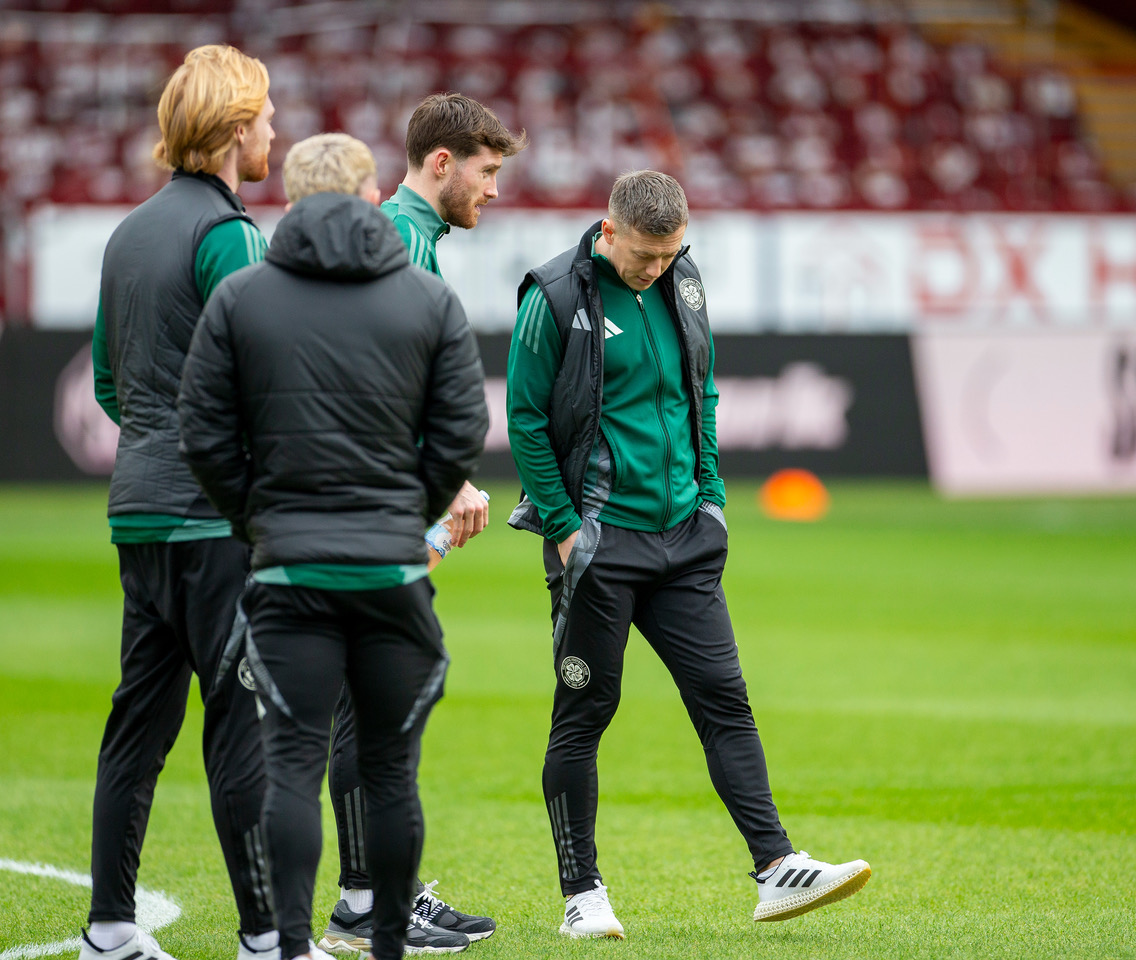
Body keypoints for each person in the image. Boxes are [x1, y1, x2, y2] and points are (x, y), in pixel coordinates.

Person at [505, 170, 872, 939]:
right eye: (645, 255)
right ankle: (582, 895)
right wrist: (568, 530)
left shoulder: (684, 280)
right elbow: (526, 421)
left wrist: (711, 496)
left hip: (684, 541)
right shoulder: (553, 298)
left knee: (725, 703)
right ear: (608, 232)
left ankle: (774, 869)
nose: (657, 269)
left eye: (671, 254)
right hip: (600, 547)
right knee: (584, 715)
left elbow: (699, 393)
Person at [177, 132, 489, 960]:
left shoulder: (243, 297)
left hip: (286, 574)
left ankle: (286, 946)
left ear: (287, 196)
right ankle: (386, 944)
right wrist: (404, 513)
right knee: (390, 772)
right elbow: (460, 431)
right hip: (391, 572)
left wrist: (259, 517)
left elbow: (202, 434)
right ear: (366, 194)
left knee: (290, 769)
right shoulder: (424, 298)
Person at [317, 92, 526, 956]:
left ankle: (370, 892)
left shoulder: (415, 238)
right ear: (440, 163)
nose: (493, 190)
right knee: (372, 706)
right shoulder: (400, 239)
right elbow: (382, 381)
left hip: (369, 508)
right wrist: (446, 484)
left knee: (367, 704)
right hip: (376, 517)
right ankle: (368, 901)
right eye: (485, 172)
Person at [82, 44, 278, 960]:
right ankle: (264, 936)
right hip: (214, 521)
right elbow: (260, 379)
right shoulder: (229, 234)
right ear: (238, 130)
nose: (274, 128)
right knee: (240, 726)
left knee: (137, 724)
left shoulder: (127, 231)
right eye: (267, 115)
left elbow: (112, 386)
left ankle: (111, 927)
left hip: (140, 510)